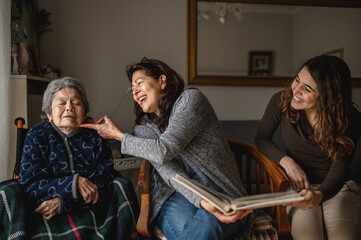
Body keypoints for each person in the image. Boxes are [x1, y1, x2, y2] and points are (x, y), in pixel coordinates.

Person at [81, 58, 254, 239]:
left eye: (139, 83)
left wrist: (118, 135)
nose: (135, 91)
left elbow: (164, 149)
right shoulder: (143, 129)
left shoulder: (191, 100)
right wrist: (202, 201)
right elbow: (171, 173)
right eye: (132, 88)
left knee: (206, 226)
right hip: (174, 194)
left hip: (219, 189)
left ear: (162, 81)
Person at [17, 77, 139, 239]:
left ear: (84, 112)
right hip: (46, 207)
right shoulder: (37, 135)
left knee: (121, 184)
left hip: (88, 207)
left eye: (76, 103)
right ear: (49, 113)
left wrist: (65, 203)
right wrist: (73, 183)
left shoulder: (96, 137)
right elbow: (30, 182)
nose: (69, 108)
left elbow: (105, 178)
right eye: (61, 103)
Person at [255, 55, 361, 240]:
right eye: (297, 80)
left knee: (342, 235)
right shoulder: (280, 101)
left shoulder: (350, 118)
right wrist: (287, 162)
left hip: (339, 187)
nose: (296, 90)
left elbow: (338, 171)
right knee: (308, 235)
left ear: (328, 96)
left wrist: (318, 196)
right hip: (297, 188)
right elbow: (262, 139)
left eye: (308, 88)